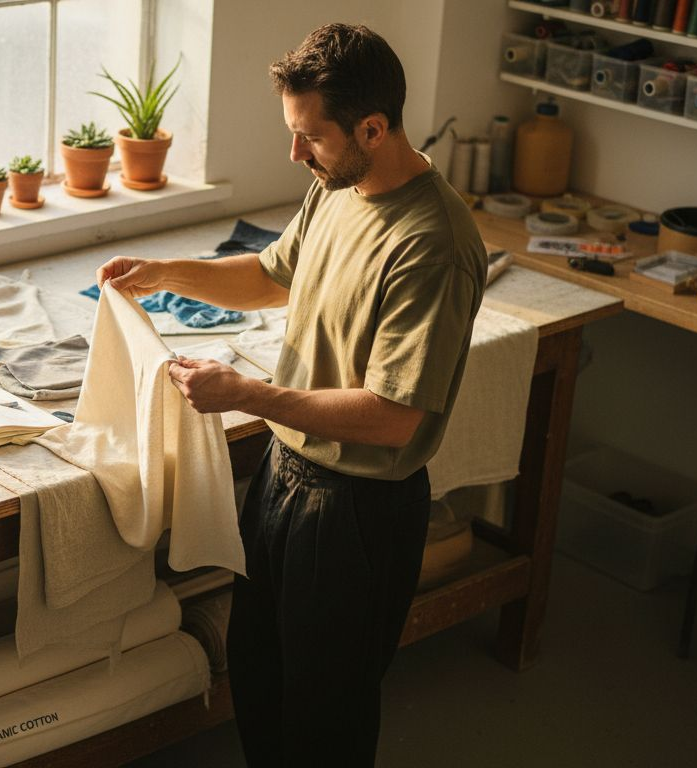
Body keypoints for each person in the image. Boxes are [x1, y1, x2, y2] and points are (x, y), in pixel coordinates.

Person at [95, 23, 487, 767]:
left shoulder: (431, 242)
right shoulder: (337, 187)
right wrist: (164, 273)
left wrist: (248, 393)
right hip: (287, 480)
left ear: (373, 129)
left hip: (358, 512)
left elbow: (392, 418)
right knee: (261, 680)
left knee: (324, 723)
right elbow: (273, 275)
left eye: (310, 137)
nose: (295, 153)